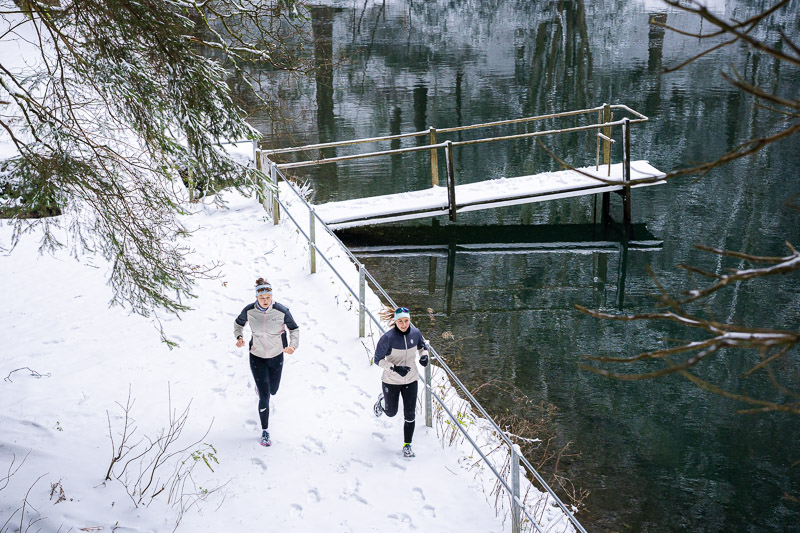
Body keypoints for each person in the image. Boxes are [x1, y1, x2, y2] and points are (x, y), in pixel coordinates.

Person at [234, 277, 300, 447]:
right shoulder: (249, 311)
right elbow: (238, 324)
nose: (265, 301)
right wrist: (239, 337)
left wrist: (292, 346)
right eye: (262, 298)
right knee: (265, 396)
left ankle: (262, 386)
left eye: (268, 297)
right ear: (256, 297)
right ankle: (265, 431)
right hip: (256, 355)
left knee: (274, 390)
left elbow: (294, 329)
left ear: (272, 297)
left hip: (276, 355)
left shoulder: (281, 311)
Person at [372, 306, 429, 458]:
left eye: (406, 321)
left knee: (410, 414)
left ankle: (407, 446)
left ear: (409, 320)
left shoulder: (415, 333)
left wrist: (424, 356)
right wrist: (395, 368)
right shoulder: (388, 338)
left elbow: (423, 347)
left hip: (411, 379)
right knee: (391, 412)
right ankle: (381, 402)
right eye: (400, 321)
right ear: (395, 322)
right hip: (391, 380)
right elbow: (377, 360)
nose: (404, 324)